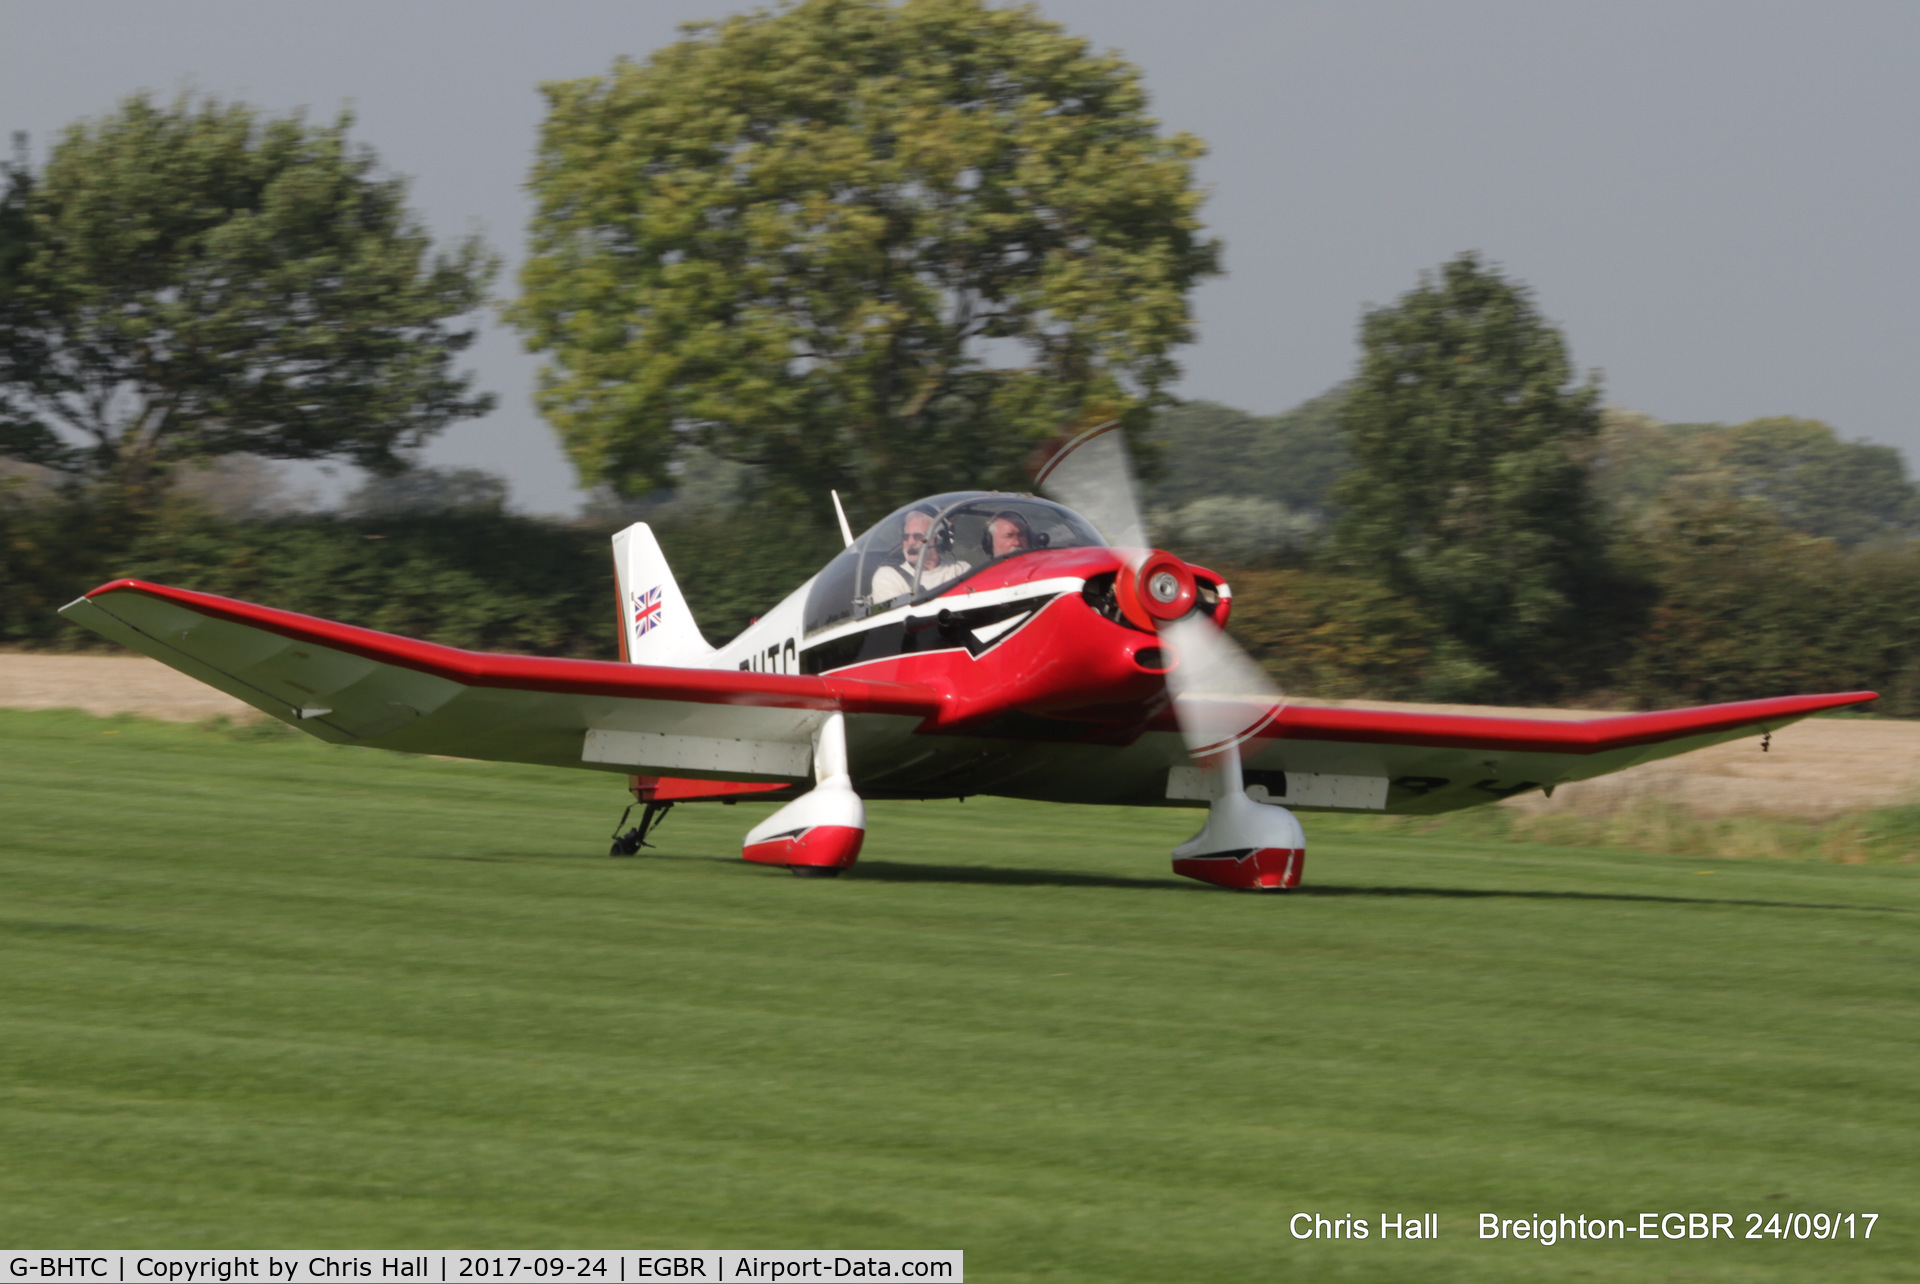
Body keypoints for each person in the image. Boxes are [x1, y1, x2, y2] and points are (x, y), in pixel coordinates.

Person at [870, 507, 971, 604]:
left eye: (918, 536)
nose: (910, 542)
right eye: (906, 537)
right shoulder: (889, 577)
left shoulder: (960, 570)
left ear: (939, 539)